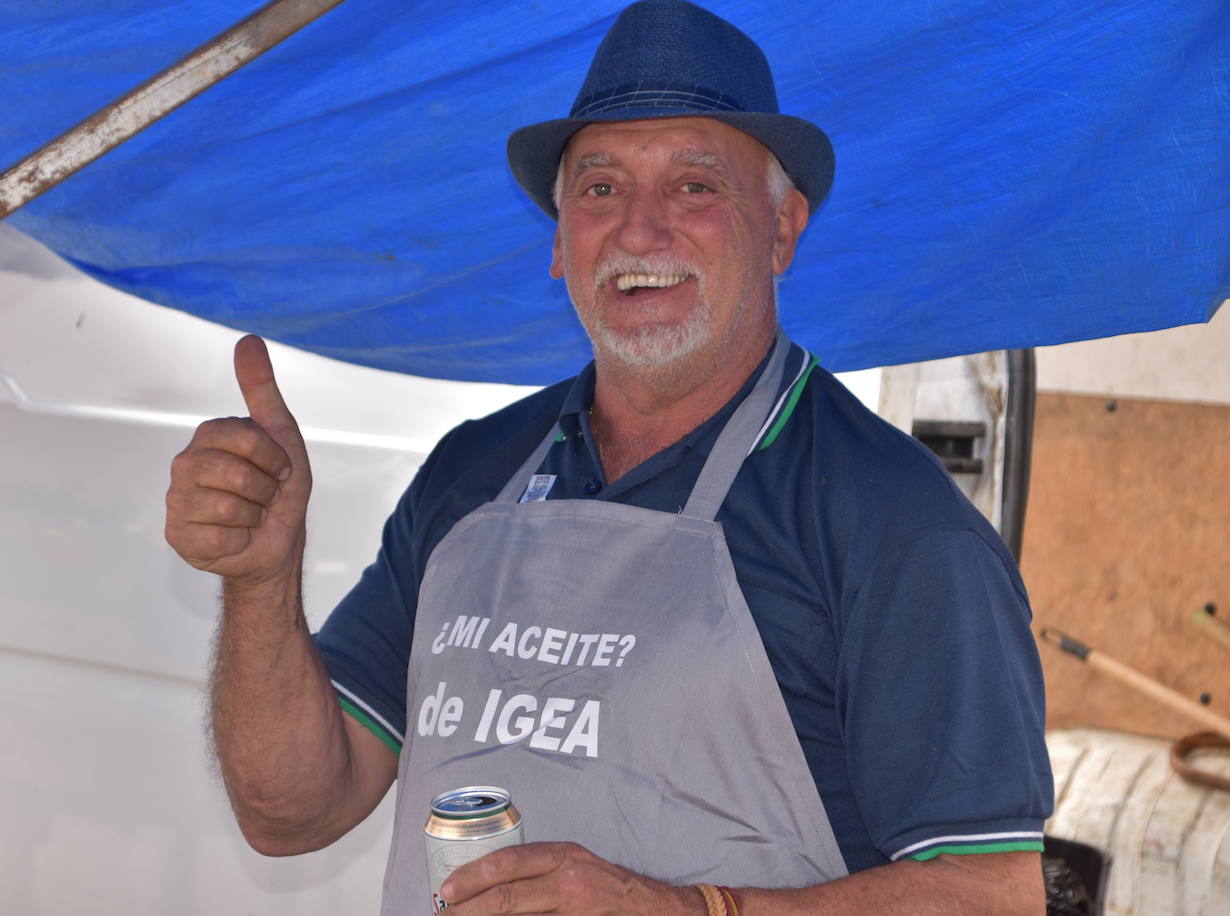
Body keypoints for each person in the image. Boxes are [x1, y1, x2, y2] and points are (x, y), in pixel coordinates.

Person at [164, 1, 1053, 912]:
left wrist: (694, 910)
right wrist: (262, 581)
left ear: (782, 229)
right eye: (600, 189)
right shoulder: (469, 476)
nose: (638, 231)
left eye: (695, 186)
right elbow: (291, 812)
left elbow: (998, 894)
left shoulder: (894, 523)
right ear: (557, 243)